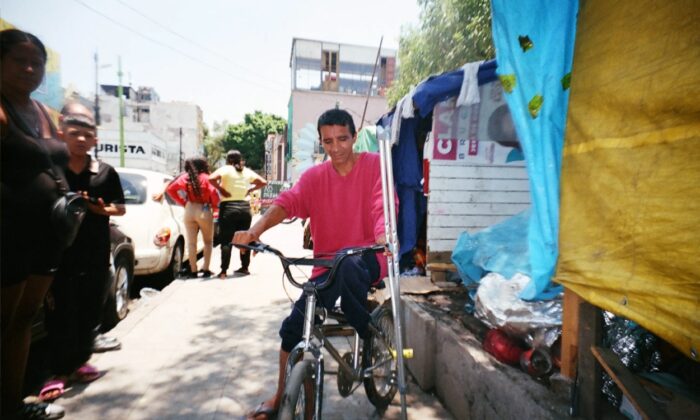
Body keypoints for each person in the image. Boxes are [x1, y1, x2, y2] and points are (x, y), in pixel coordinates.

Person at [233, 109, 393, 419]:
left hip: (370, 257)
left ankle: (365, 329)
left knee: (349, 265)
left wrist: (382, 234)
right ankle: (283, 395)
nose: (336, 148)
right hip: (328, 267)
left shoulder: (374, 166)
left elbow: (382, 204)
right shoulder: (315, 177)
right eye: (328, 141)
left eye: (343, 139)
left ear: (354, 137)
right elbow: (287, 202)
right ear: (321, 142)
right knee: (293, 329)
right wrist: (255, 230)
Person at [1, 28, 67, 419]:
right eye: (19, 60)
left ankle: (12, 404)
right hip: (10, 233)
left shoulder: (41, 111)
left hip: (45, 235)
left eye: (37, 62)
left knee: (24, 320)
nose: (29, 68)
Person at [39, 103, 126, 402]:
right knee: (60, 312)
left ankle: (79, 362)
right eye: (74, 133)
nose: (79, 139)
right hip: (59, 254)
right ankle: (59, 372)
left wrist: (98, 209)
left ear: (94, 140)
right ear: (62, 134)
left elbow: (120, 208)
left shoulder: (105, 172)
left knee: (89, 309)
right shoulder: (52, 171)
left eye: (86, 135)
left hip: (94, 252)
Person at [209, 150, 267, 279]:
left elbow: (211, 178)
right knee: (244, 238)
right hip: (245, 209)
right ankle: (245, 268)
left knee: (226, 240)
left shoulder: (226, 169)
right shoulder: (246, 171)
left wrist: (221, 189)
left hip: (228, 208)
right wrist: (250, 189)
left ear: (228, 160)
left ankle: (224, 271)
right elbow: (263, 182)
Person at [166, 156, 219, 278]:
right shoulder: (207, 178)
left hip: (189, 209)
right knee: (208, 241)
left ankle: (193, 270)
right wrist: (215, 207)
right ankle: (205, 269)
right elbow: (214, 194)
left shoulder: (186, 177)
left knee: (191, 243)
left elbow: (170, 189)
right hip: (204, 209)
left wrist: (183, 202)